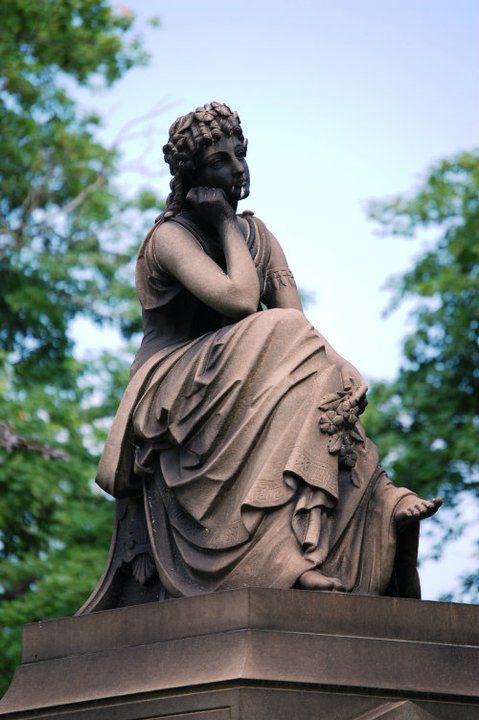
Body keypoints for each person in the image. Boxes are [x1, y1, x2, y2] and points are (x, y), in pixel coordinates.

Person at [85, 102, 441, 611]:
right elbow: (237, 301)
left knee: (323, 385)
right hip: (172, 386)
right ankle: (288, 560)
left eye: (240, 153)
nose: (237, 169)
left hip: (246, 368)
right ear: (192, 176)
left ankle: (357, 520)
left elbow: (297, 324)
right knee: (278, 333)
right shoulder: (170, 238)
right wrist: (225, 224)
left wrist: (341, 368)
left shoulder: (261, 235)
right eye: (219, 162)